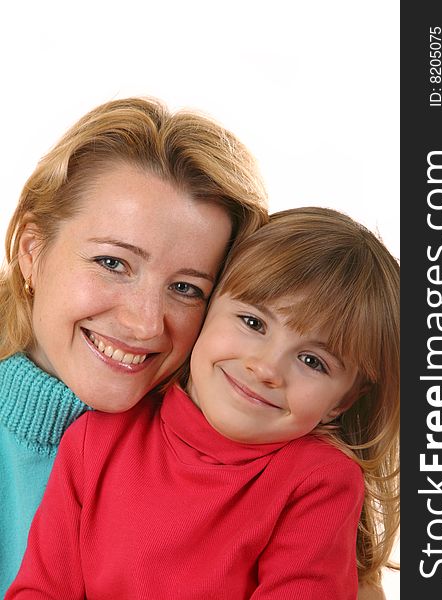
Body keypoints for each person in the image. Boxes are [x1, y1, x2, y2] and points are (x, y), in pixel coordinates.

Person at [7, 207, 400, 599]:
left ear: (344, 400)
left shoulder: (319, 481)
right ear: (207, 310)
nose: (266, 368)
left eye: (313, 361)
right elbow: (40, 590)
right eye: (253, 323)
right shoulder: (95, 439)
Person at [0, 96, 269, 595]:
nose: (146, 325)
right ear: (32, 251)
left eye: (187, 288)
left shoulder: (266, 463)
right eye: (112, 263)